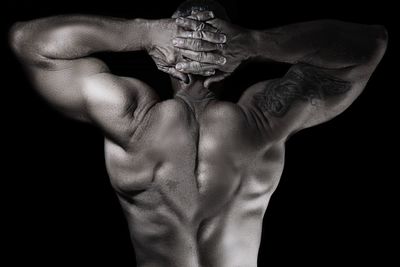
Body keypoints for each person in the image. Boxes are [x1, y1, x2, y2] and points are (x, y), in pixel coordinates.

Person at [9, 0, 387, 266]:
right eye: (189, 35)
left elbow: (32, 43)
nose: (198, 44)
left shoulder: (130, 118)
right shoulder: (265, 119)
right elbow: (366, 47)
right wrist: (254, 44)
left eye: (209, 37)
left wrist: (145, 33)